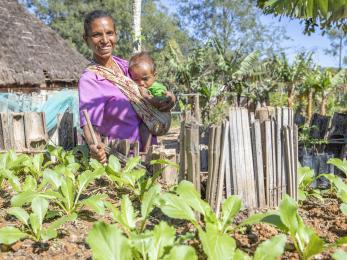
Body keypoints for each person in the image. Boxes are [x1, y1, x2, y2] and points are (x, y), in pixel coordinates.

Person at [78, 10, 175, 164]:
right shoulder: (90, 79)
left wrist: (169, 97)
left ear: (115, 35)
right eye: (97, 35)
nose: (104, 40)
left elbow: (151, 86)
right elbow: (89, 123)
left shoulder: (126, 66)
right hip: (122, 161)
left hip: (150, 156)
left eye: (109, 33)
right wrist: (94, 146)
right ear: (86, 39)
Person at [128, 52, 170, 152]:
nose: (141, 83)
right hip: (149, 117)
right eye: (136, 80)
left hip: (159, 119)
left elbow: (161, 102)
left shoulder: (156, 87)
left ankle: (146, 150)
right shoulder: (138, 87)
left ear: (154, 76)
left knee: (144, 127)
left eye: (145, 79)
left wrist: (146, 96)